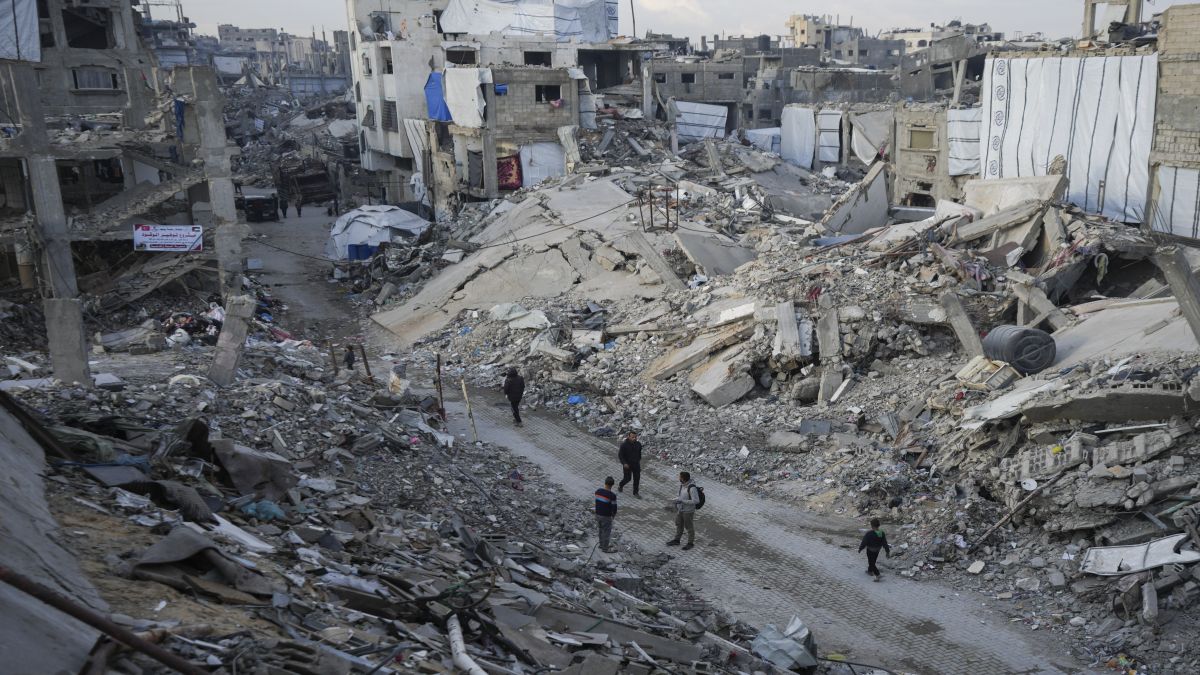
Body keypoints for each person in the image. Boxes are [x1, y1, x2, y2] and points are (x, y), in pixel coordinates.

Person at [666, 471, 699, 550]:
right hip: (681, 509)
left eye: (680, 477)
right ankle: (677, 540)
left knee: (689, 527)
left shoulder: (692, 488)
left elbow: (696, 501)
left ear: (683, 479)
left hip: (688, 511)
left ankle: (690, 543)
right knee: (679, 525)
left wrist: (683, 501)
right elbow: (681, 496)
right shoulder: (682, 485)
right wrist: (677, 502)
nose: (678, 478)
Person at [858, 518, 892, 582]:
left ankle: (877, 574)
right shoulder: (882, 533)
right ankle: (870, 571)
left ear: (872, 525)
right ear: (878, 525)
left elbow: (864, 542)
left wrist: (860, 549)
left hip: (870, 550)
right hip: (877, 550)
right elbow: (885, 543)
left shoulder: (869, 534)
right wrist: (887, 551)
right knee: (873, 560)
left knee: (871, 563)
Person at [594, 476, 618, 553]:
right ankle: (605, 548)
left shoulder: (598, 491)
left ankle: (601, 544)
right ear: (612, 485)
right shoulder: (612, 496)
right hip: (606, 516)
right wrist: (613, 516)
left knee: (601, 530)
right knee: (606, 532)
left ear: (605, 483)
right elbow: (614, 508)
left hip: (597, 514)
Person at [617, 431, 643, 497]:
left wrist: (638, 461)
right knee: (627, 479)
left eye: (635, 437)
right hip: (627, 465)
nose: (634, 438)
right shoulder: (624, 445)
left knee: (637, 479)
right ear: (628, 437)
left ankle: (635, 493)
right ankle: (621, 485)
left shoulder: (638, 444)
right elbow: (620, 455)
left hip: (636, 465)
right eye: (632, 437)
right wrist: (624, 463)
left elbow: (639, 454)